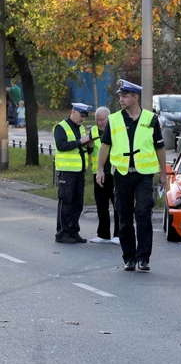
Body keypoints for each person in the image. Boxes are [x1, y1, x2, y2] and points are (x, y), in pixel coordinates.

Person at [95, 80, 168, 272]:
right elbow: (105, 146)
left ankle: (143, 258)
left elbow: (160, 147)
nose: (121, 99)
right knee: (124, 216)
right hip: (122, 174)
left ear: (135, 97)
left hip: (144, 175)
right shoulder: (115, 119)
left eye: (125, 96)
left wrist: (163, 172)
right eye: (120, 96)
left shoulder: (151, 119)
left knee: (143, 213)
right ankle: (129, 257)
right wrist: (100, 169)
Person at [53, 103, 93, 244]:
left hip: (79, 171)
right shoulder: (61, 127)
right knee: (66, 202)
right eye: (81, 115)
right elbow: (61, 145)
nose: (82, 119)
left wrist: (89, 146)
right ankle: (62, 233)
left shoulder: (80, 128)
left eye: (84, 117)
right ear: (73, 112)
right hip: (66, 171)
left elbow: (80, 148)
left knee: (77, 203)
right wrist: (79, 142)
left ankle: (73, 231)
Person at [88, 106, 120, 245]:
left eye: (102, 120)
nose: (100, 123)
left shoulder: (116, 130)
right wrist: (88, 145)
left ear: (109, 118)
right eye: (97, 120)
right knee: (101, 205)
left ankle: (118, 234)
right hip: (98, 173)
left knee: (117, 204)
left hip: (114, 173)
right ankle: (103, 234)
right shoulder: (93, 131)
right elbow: (90, 151)